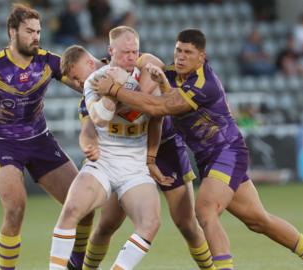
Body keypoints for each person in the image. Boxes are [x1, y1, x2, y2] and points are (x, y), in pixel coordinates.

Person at [92, 28, 303, 270]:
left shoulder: (204, 83)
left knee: (205, 211)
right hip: (209, 158)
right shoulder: (174, 75)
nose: (181, 57)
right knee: (258, 220)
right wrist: (134, 64)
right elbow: (146, 64)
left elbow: (158, 108)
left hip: (227, 151)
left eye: (188, 52)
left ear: (202, 57)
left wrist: (114, 89)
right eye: (178, 51)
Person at [0, 4, 93, 270]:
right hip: (3, 144)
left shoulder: (49, 61)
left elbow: (83, 85)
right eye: (29, 31)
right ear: (12, 31)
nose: (36, 36)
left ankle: (76, 265)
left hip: (40, 140)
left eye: (38, 31)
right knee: (15, 208)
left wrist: (101, 88)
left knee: (85, 206)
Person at [61, 44, 214, 270]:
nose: (77, 84)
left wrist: (123, 94)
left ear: (90, 64)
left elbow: (154, 72)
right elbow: (88, 130)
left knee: (186, 223)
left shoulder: (129, 62)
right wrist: (90, 146)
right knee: (107, 224)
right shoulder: (90, 97)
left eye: (75, 78)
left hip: (166, 146)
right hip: (127, 157)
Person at [49, 26, 165, 270]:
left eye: (135, 52)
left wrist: (120, 90)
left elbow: (151, 109)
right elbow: (99, 117)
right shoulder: (95, 79)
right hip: (103, 163)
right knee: (72, 210)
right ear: (110, 51)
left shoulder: (147, 75)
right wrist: (114, 93)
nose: (131, 57)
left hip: (134, 169)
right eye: (124, 53)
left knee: (151, 223)